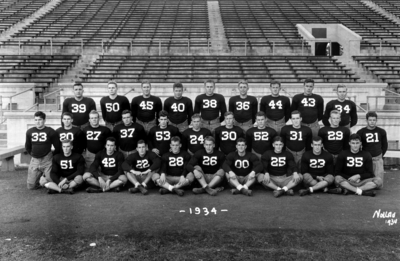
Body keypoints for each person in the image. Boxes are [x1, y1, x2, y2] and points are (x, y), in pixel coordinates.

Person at [25, 111, 60, 190]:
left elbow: (57, 147)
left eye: (40, 120)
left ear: (44, 120)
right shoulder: (30, 131)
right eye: (36, 120)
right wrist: (33, 154)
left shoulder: (50, 131)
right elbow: (27, 146)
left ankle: (44, 176)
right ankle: (40, 176)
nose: (38, 122)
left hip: (47, 159)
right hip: (35, 159)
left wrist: (51, 156)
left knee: (51, 182)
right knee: (31, 186)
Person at [357, 112, 388, 184]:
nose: (372, 122)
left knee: (378, 182)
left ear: (376, 120)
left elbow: (385, 145)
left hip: (377, 158)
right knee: (364, 180)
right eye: (370, 120)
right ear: (366, 120)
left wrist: (381, 155)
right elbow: (357, 145)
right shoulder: (361, 132)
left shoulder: (381, 131)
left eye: (374, 120)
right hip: (366, 159)